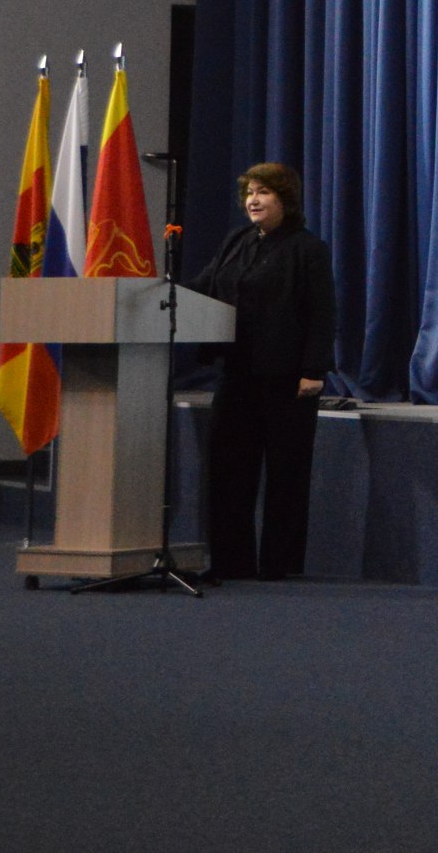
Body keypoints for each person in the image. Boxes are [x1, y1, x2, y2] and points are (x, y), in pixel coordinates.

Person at [191, 162, 335, 582]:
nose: (253, 200)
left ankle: (280, 565)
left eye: (264, 192)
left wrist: (314, 370)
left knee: (286, 474)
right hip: (237, 373)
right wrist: (155, 290)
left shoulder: (307, 249)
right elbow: (205, 287)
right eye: (250, 193)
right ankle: (232, 562)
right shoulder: (237, 241)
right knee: (227, 469)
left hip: (288, 378)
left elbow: (322, 312)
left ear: (284, 200)